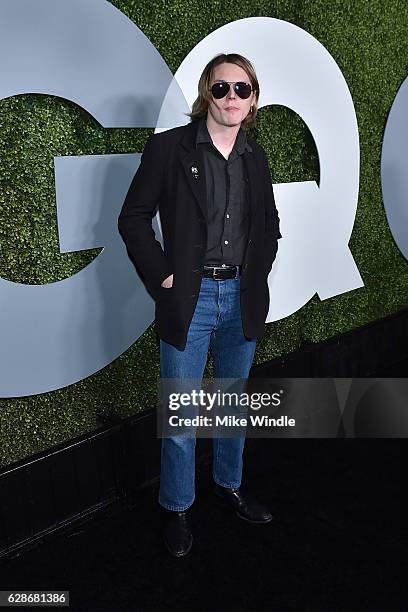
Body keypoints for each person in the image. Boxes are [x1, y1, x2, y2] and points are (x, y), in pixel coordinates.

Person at [118, 53, 281, 557]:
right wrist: (164, 273)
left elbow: (269, 226)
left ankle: (228, 485)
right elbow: (133, 218)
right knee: (184, 417)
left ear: (253, 100)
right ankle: (177, 507)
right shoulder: (169, 149)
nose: (232, 98)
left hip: (242, 297)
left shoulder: (255, 156)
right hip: (190, 296)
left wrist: (258, 273)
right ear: (206, 93)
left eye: (243, 89)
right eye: (222, 88)